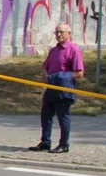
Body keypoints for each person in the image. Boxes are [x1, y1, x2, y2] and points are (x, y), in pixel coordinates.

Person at [29, 24, 83, 154]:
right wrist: (47, 75)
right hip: (51, 88)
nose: (59, 35)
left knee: (63, 117)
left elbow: (79, 73)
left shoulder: (73, 50)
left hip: (64, 90)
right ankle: (45, 142)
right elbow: (45, 66)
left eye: (62, 32)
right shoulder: (54, 50)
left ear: (69, 33)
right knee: (46, 115)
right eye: (57, 32)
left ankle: (64, 144)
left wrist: (62, 77)